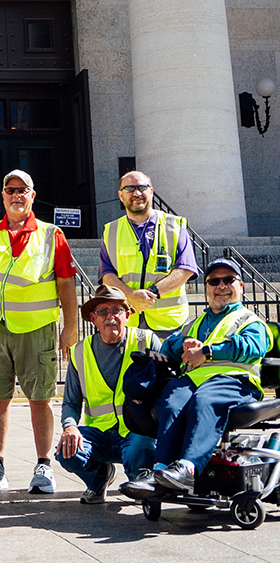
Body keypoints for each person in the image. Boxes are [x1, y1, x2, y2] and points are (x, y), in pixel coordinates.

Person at [0, 169, 79, 495]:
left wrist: (70, 328)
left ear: (32, 195)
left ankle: (43, 466)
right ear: (2, 196)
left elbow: (66, 283)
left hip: (35, 330)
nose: (16, 195)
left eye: (22, 190)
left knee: (40, 399)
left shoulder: (50, 234)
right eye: (10, 190)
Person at [123, 258, 273, 496]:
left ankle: (188, 468)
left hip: (234, 381)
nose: (221, 286)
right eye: (214, 281)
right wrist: (183, 344)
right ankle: (160, 471)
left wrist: (207, 352)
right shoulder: (195, 324)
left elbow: (252, 347)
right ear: (206, 289)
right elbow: (168, 347)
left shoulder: (250, 321)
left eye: (228, 280)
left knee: (204, 401)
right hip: (194, 381)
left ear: (241, 286)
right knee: (171, 401)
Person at [56, 285, 159, 503]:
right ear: (93, 319)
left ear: (127, 315)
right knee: (67, 450)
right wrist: (70, 427)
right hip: (99, 434)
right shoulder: (79, 352)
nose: (110, 317)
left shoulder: (147, 341)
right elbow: (71, 403)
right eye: (103, 311)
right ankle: (99, 479)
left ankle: (141, 481)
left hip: (137, 431)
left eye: (116, 310)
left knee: (140, 450)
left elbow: (168, 386)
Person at [99, 171, 198, 338]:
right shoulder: (111, 231)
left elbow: (185, 269)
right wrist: (131, 296)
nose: (137, 193)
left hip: (170, 327)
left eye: (142, 187)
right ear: (120, 195)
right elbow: (106, 274)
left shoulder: (174, 225)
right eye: (129, 188)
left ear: (151, 192)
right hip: (128, 324)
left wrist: (150, 294)